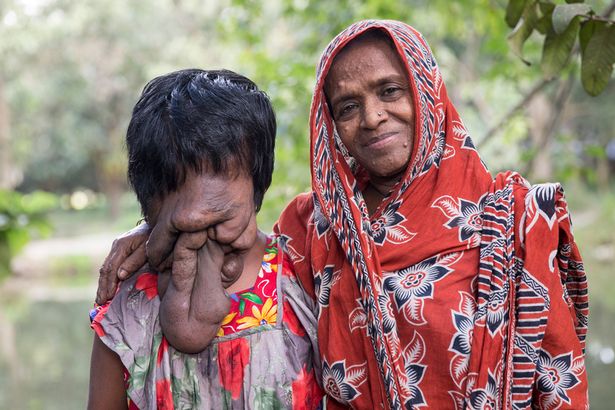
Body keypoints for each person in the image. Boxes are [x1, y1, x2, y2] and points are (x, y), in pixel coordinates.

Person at [96, 21, 589, 409]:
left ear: (426, 90)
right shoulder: (316, 226)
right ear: (330, 124)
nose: (372, 117)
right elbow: (225, 218)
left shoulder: (517, 220)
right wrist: (157, 221)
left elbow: (560, 381)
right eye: (348, 106)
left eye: (390, 91)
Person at [88, 68, 322, 409]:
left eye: (220, 177)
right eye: (178, 185)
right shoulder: (128, 310)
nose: (197, 215)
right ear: (151, 202)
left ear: (257, 182)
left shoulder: (304, 278)